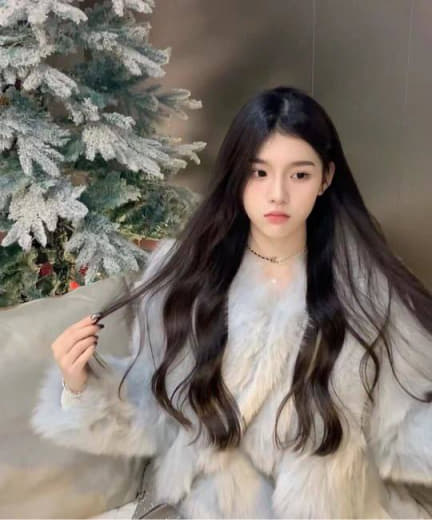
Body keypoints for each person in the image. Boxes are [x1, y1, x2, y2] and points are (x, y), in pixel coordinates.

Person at [30, 85, 432, 518]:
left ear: (326, 178)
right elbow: (152, 415)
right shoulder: (185, 281)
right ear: (236, 175)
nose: (277, 194)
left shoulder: (368, 293)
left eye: (299, 175)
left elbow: (399, 431)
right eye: (259, 173)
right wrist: (79, 384)